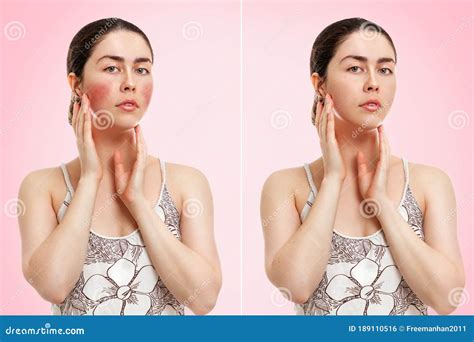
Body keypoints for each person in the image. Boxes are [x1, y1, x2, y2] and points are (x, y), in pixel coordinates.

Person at [260, 17, 465, 315]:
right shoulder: (285, 186)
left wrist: (382, 204)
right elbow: (297, 285)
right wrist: (332, 178)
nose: (373, 83)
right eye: (355, 68)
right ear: (319, 84)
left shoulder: (429, 183)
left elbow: (447, 300)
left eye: (385, 69)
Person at [18, 18, 222, 315]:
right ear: (76, 84)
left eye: (142, 69)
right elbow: (53, 285)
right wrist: (89, 178)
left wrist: (137, 201)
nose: (130, 82)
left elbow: (204, 300)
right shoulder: (42, 187)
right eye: (112, 68)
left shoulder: (185, 183)